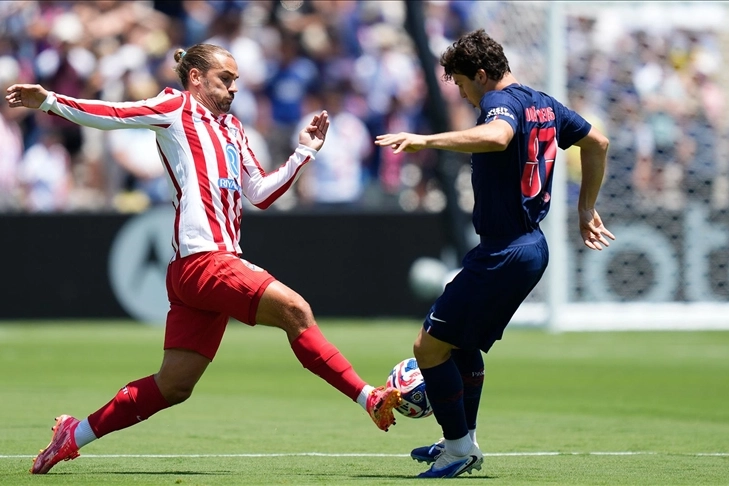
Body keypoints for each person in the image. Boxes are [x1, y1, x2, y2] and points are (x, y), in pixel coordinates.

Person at [6, 43, 401, 475]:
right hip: (204, 258)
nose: (234, 88)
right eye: (225, 79)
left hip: (198, 270)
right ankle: (369, 397)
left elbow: (260, 193)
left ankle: (74, 434)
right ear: (196, 77)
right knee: (295, 310)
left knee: (174, 385)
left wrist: (303, 152)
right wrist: (49, 100)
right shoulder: (174, 107)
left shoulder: (233, 128)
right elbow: (113, 114)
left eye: (236, 80)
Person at [375, 29, 615, 479]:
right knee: (460, 345)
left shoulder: (498, 103)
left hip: (506, 250)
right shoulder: (544, 103)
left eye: (462, 84)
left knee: (428, 347)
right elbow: (597, 143)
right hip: (525, 246)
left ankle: (458, 449)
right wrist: (586, 208)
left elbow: (499, 136)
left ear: (482, 75)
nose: (464, 95)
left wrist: (427, 140)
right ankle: (461, 440)